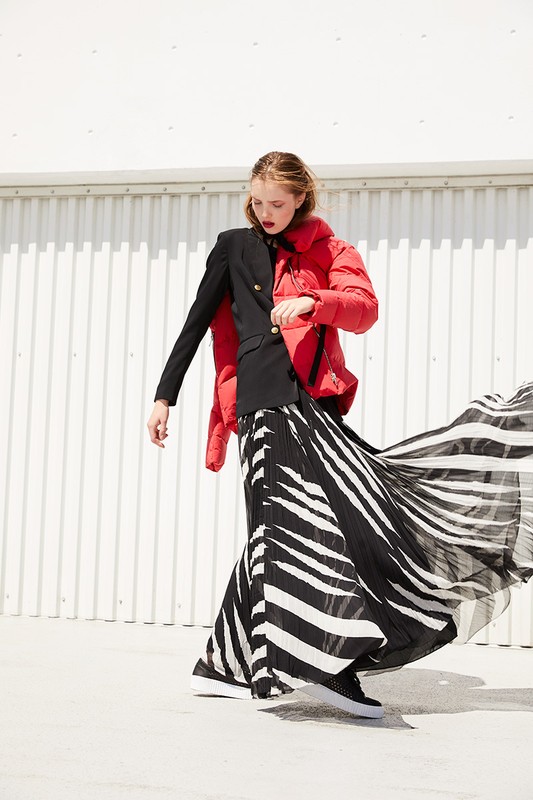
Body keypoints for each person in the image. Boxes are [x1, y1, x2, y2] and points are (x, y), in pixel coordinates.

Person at [147, 151, 533, 719]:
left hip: (315, 405)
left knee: (309, 523)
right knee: (297, 527)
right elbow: (196, 322)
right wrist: (165, 396)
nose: (265, 212)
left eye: (277, 203)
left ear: (300, 198)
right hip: (261, 400)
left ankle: (222, 665)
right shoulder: (233, 246)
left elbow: (363, 309)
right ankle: (322, 663)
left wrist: (313, 301)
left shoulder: (332, 251)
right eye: (258, 201)